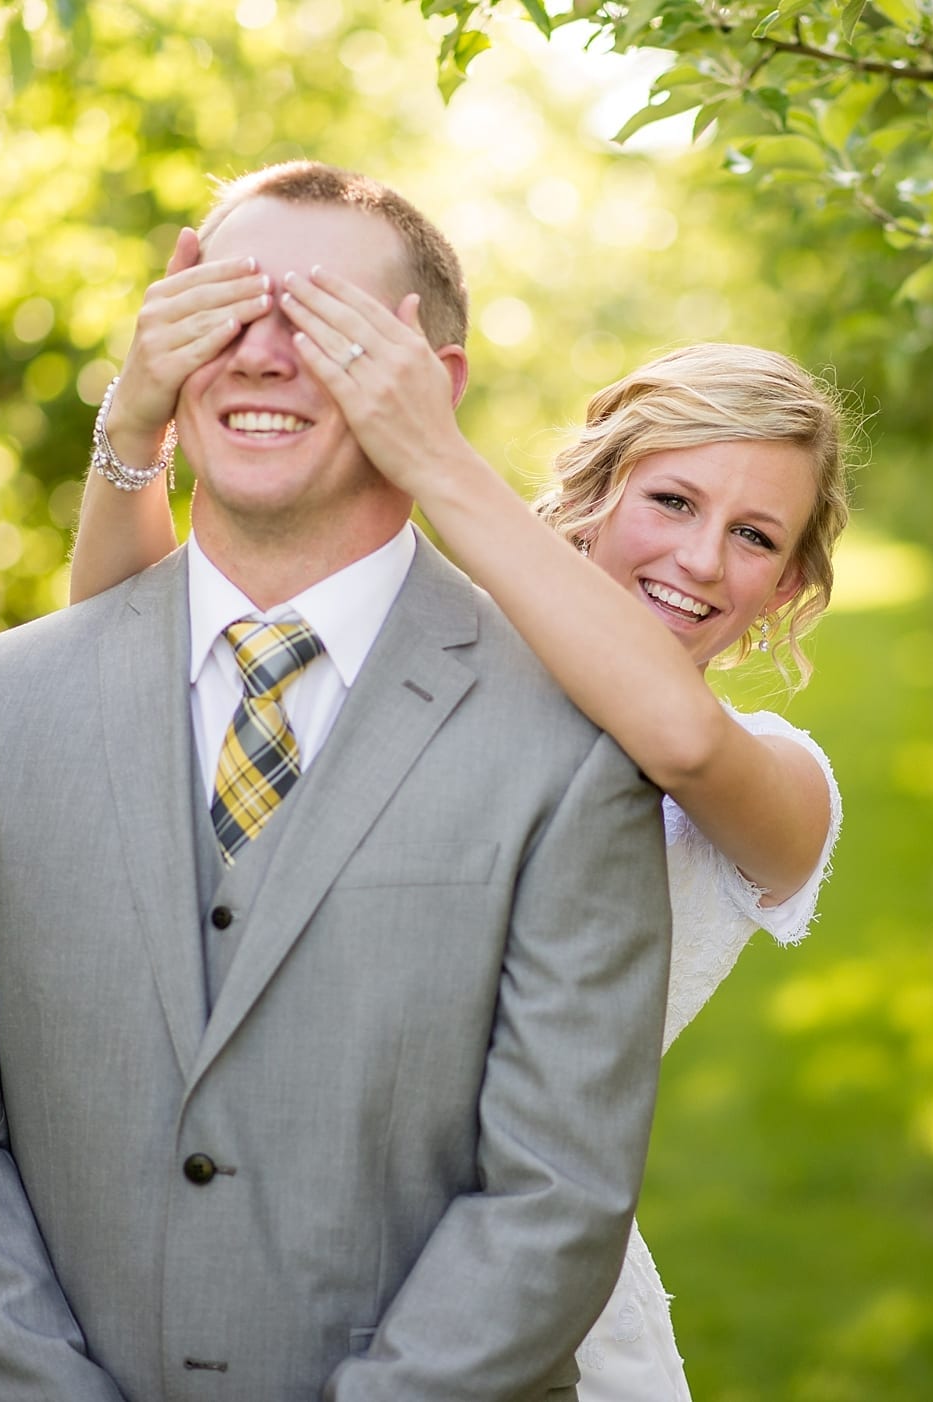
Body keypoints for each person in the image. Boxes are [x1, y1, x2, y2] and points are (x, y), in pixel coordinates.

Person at [0, 160, 674, 1401]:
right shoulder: (6, 699)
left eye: (324, 321)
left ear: (430, 386)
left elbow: (554, 1192)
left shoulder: (570, 736)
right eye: (229, 311)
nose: (265, 355)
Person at [67, 229, 850, 1399]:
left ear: (788, 587)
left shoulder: (777, 783)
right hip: (259, 1237)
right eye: (673, 499)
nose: (699, 558)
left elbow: (675, 736)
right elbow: (131, 666)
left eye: (754, 538)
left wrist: (434, 459)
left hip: (530, 1298)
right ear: (597, 491)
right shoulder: (428, 652)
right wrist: (135, 429)